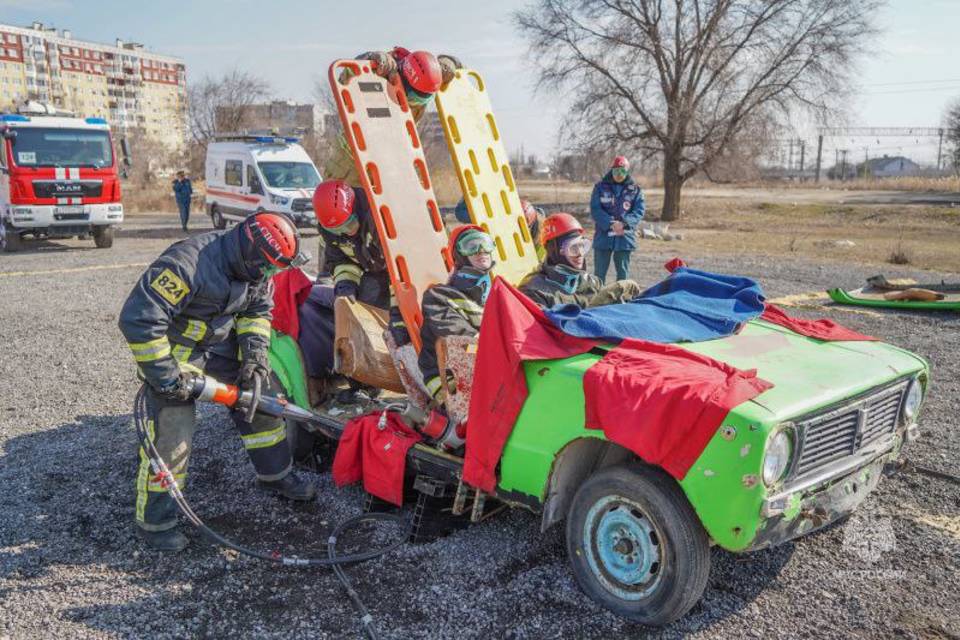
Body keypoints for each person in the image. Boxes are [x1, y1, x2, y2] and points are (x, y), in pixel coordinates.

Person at [118, 212, 314, 552]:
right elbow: (138, 319)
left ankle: (275, 475)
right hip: (175, 358)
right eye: (269, 268)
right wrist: (165, 376)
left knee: (262, 399)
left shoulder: (256, 269)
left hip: (219, 353)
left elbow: (258, 311)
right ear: (252, 254)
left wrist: (254, 358)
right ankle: (156, 521)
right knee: (173, 433)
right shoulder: (187, 264)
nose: (271, 275)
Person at [296, 180, 408, 389]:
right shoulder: (331, 230)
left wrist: (398, 314)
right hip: (373, 273)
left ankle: (396, 374)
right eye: (339, 229)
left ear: (354, 208)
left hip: (402, 277)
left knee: (394, 323)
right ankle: (367, 381)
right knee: (355, 308)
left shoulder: (381, 218)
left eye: (348, 225)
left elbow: (402, 269)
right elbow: (341, 262)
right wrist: (346, 289)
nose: (347, 232)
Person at [326, 48, 462, 183]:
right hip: (350, 163)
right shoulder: (377, 77)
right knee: (338, 201)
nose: (413, 103)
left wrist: (447, 63)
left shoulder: (424, 81)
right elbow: (345, 79)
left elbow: (457, 68)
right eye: (413, 97)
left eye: (421, 100)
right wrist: (368, 61)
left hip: (389, 168)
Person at [418, 224, 495, 404]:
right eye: (471, 245)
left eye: (485, 244)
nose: (481, 250)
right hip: (450, 383)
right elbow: (465, 344)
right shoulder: (438, 297)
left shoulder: (497, 293)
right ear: (459, 255)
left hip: (484, 372)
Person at [520, 213, 641, 308]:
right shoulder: (535, 291)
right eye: (573, 248)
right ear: (555, 251)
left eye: (582, 245)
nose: (580, 254)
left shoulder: (592, 283)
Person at [590, 155, 645, 283]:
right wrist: (610, 223)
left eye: (622, 171)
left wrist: (624, 223)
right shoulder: (600, 187)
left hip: (624, 236)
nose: (619, 174)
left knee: (622, 273)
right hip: (603, 236)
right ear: (611, 170)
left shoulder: (635, 190)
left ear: (627, 171)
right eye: (616, 171)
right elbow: (595, 209)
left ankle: (621, 299)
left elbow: (639, 211)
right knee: (599, 273)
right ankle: (598, 298)